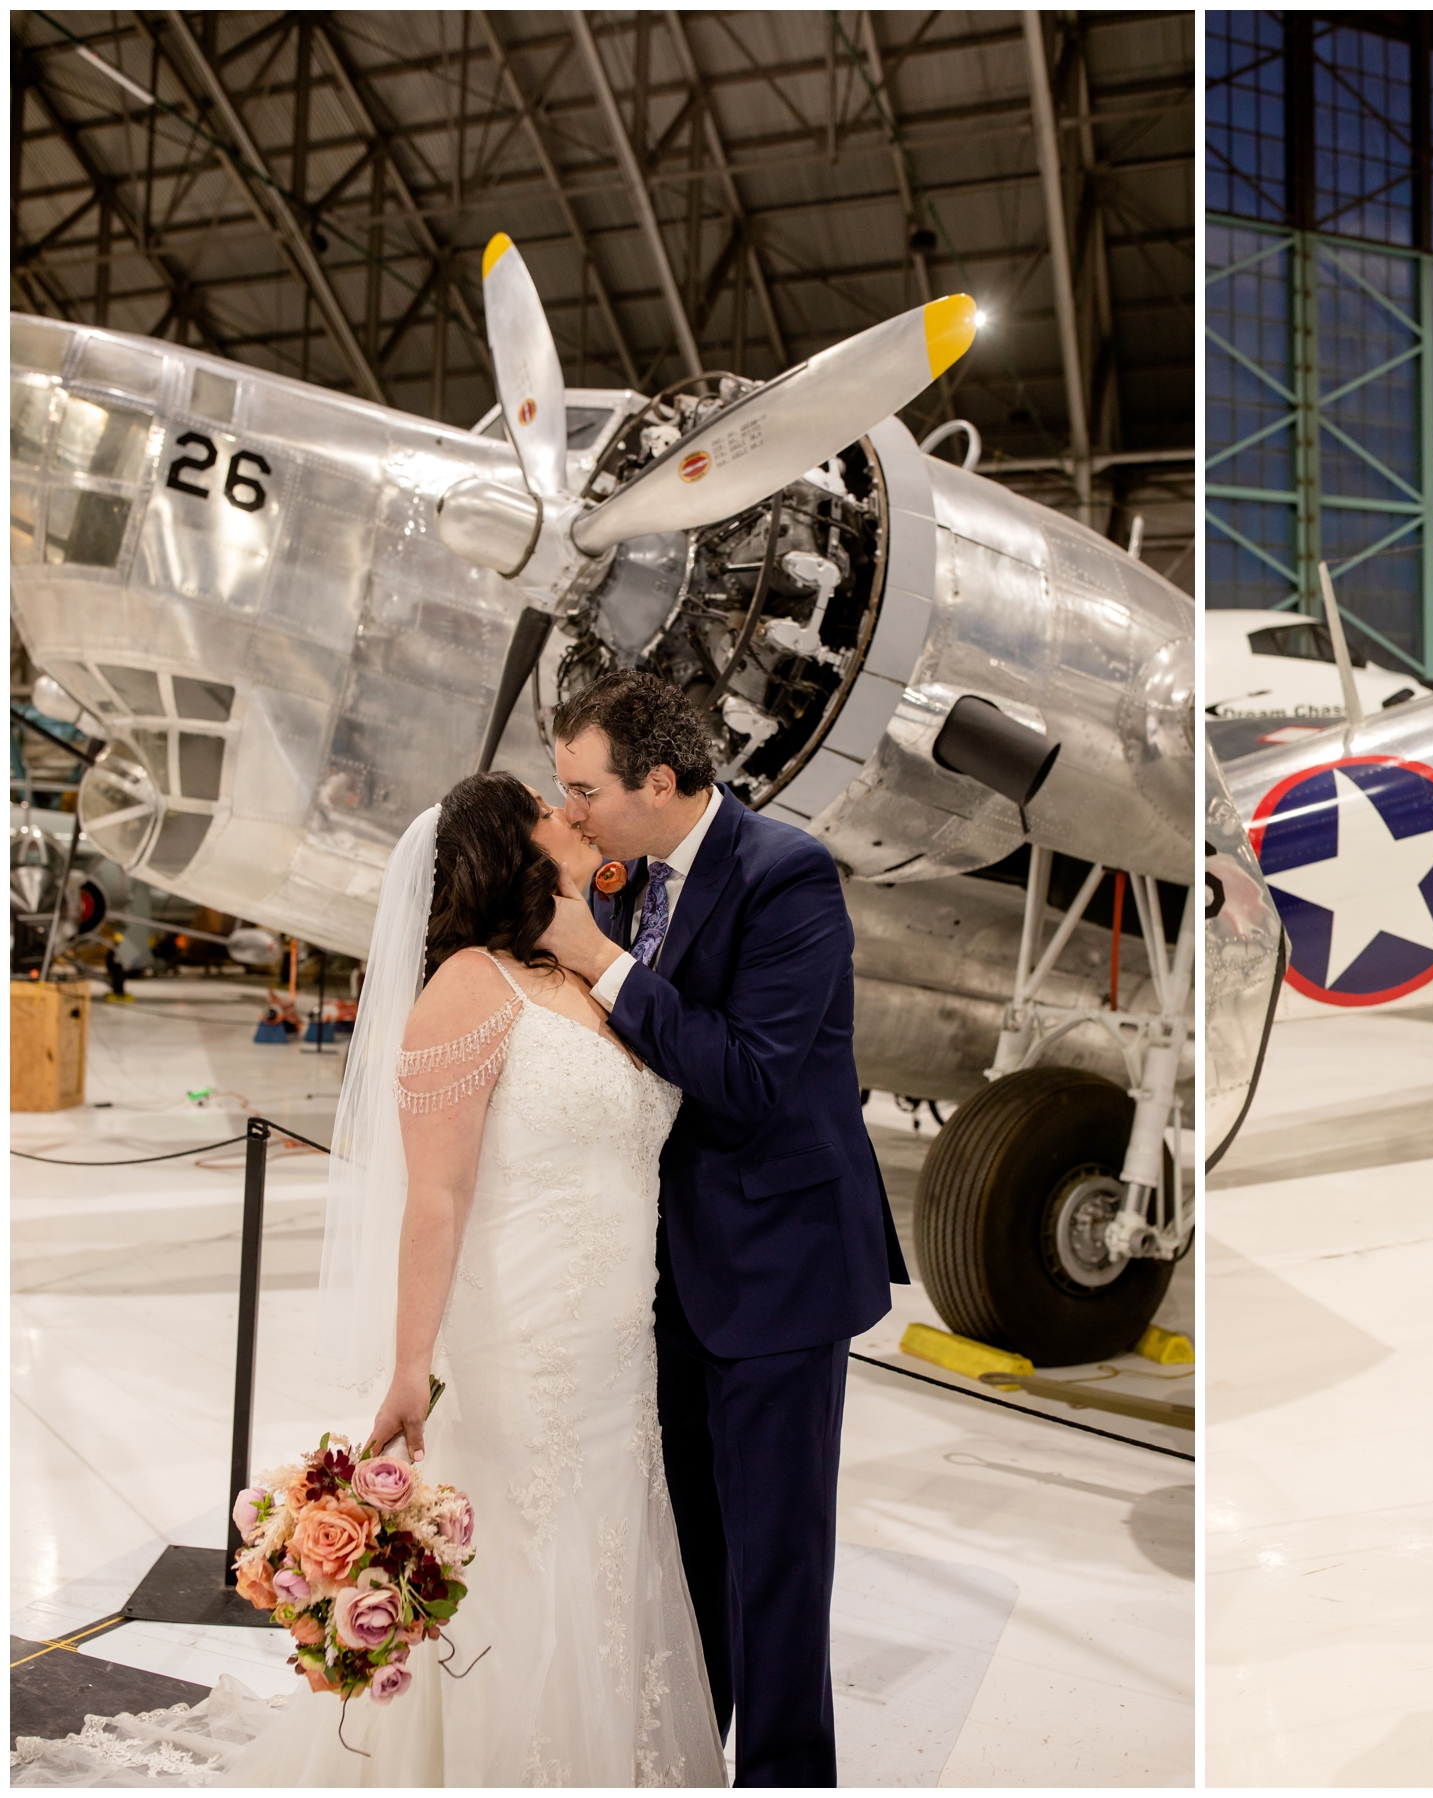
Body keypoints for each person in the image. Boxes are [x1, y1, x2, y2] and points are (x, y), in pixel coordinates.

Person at [9, 773, 726, 1785]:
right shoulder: (468, 985)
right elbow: (433, 1196)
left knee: (608, 1561)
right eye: (546, 810)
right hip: (519, 1350)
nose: (570, 816)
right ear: (504, 852)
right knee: (522, 1568)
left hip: (615, 1353)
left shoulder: (582, 973)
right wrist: (409, 1365)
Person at [531, 671, 906, 1788]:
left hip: (779, 1270)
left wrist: (599, 963)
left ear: (659, 778)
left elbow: (747, 1077)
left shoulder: (785, 877)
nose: (573, 810)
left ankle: (789, 1776)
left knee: (775, 1567)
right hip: (671, 1275)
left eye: (583, 787)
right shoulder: (623, 878)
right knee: (687, 1551)